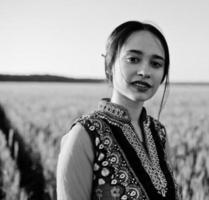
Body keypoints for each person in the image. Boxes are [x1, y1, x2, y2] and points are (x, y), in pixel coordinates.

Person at [56, 20, 181, 200]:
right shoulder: (86, 134)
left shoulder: (159, 133)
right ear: (110, 63)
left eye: (156, 64)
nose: (144, 71)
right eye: (133, 59)